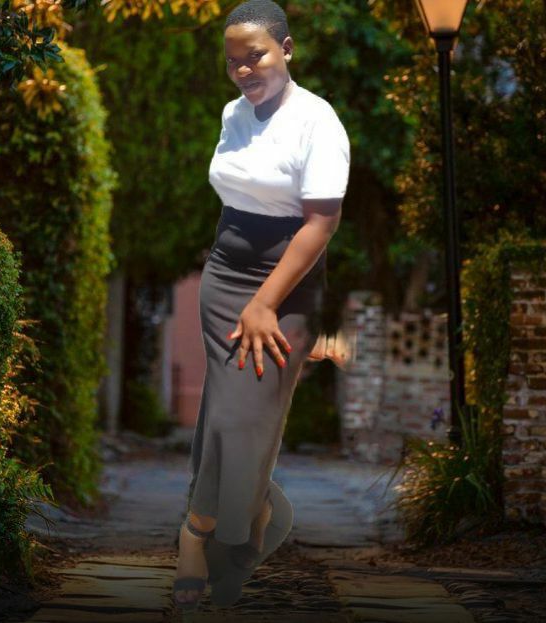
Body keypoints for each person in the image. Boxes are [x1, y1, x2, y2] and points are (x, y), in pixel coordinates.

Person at [172, 0, 350, 609]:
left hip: (289, 285)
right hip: (225, 277)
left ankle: (216, 530)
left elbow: (322, 223)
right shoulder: (233, 114)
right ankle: (219, 528)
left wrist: (266, 303)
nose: (244, 70)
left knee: (248, 421)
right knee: (225, 416)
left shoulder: (318, 121)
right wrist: (238, 288)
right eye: (233, 62)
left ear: (287, 49)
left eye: (256, 56)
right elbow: (236, 192)